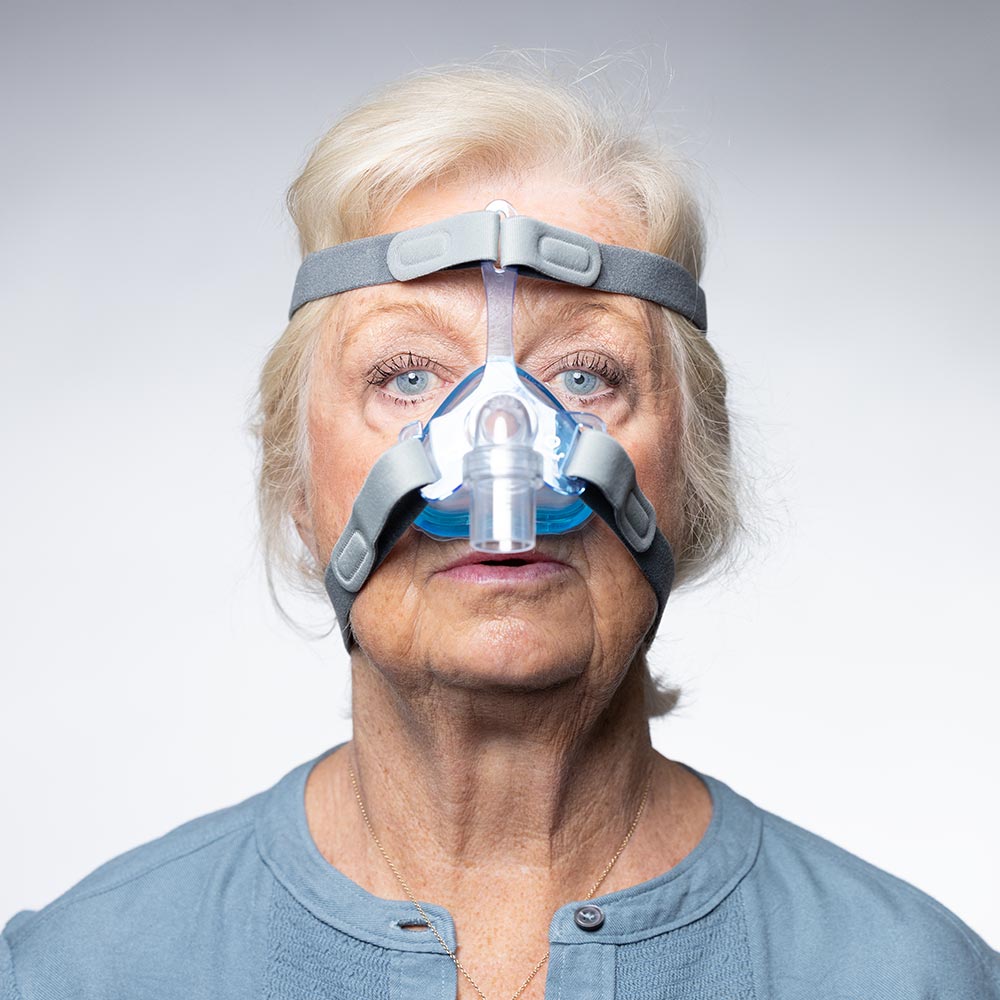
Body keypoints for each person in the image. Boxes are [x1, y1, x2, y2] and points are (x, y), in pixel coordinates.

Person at [2, 62, 998, 1000]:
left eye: (585, 375)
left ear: (693, 472)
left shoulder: (905, 978)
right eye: (406, 375)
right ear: (297, 483)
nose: (501, 445)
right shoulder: (84, 975)